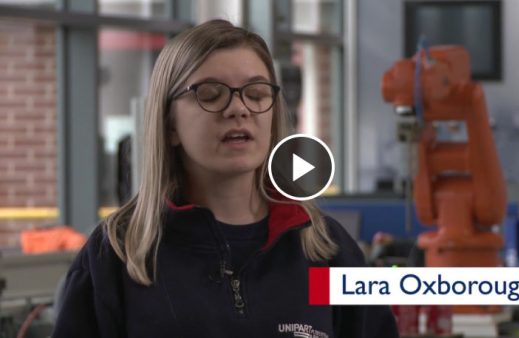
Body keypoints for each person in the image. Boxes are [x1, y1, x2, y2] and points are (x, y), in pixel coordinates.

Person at [53, 19, 399, 338]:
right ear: (170, 124)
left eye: (256, 93)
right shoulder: (117, 257)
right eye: (210, 94)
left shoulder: (326, 250)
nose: (239, 108)